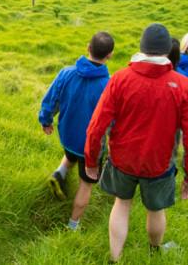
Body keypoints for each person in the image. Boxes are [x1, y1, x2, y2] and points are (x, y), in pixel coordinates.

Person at [84, 24, 188, 262]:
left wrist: (91, 160)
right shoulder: (183, 86)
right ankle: (155, 251)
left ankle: (114, 259)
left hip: (121, 160)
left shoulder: (119, 78)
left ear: (142, 47)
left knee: (121, 204)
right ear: (166, 52)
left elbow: (97, 126)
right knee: (156, 210)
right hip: (159, 163)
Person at [39, 31, 115, 232]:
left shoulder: (66, 73)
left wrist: (45, 121)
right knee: (86, 184)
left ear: (88, 48)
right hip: (92, 146)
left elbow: (50, 101)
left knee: (71, 154)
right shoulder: (109, 86)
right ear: (109, 55)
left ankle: (59, 173)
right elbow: (113, 122)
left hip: (68, 136)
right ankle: (72, 227)